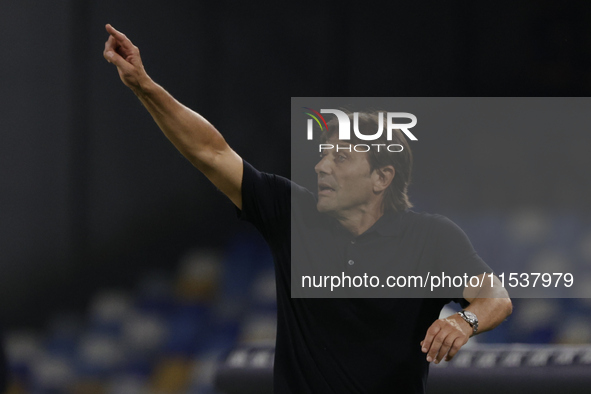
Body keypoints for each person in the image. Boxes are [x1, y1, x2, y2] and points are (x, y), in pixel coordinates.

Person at [103, 24, 512, 393]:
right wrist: (144, 86)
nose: (321, 166)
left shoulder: (429, 237)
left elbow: (495, 297)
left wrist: (464, 320)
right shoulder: (292, 212)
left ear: (382, 178)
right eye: (323, 155)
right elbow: (211, 151)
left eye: (341, 158)